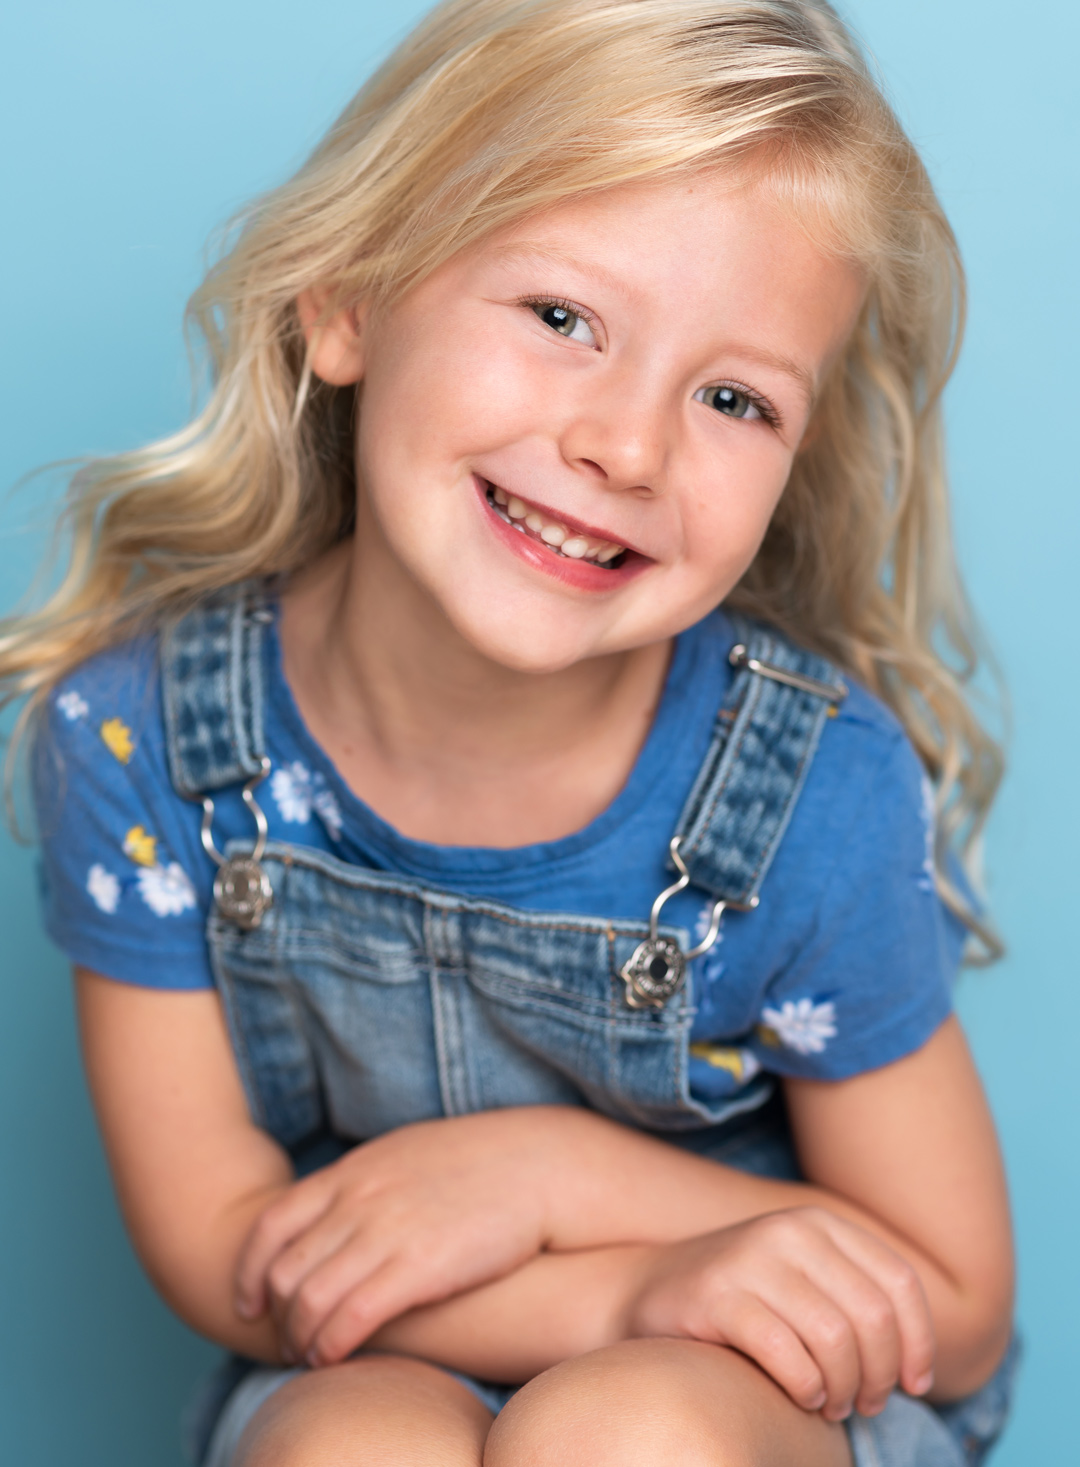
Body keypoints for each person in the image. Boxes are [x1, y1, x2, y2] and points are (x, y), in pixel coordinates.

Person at [2, 1, 1017, 1463]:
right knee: (350, 1449)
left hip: (766, 1391)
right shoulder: (143, 743)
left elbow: (958, 1308)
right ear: (349, 299)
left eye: (733, 397)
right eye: (562, 318)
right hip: (375, 1347)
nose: (629, 445)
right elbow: (229, 1252)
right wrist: (613, 1293)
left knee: (629, 1430)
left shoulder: (807, 792)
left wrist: (556, 1181)